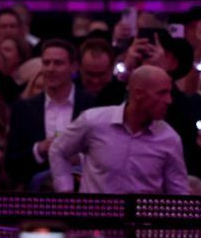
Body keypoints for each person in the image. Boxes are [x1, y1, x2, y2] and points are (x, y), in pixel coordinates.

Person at [50, 66, 189, 194]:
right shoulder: (93, 122)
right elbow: (58, 149)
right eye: (162, 93)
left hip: (142, 219)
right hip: (95, 217)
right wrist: (66, 191)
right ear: (139, 94)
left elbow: (178, 192)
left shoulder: (169, 139)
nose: (169, 100)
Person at [7, 39, 96, 188]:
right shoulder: (23, 109)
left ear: (73, 67)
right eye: (46, 63)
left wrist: (78, 158)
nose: (50, 69)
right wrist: (39, 150)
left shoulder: (92, 105)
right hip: (38, 196)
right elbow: (11, 164)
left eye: (58, 63)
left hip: (84, 192)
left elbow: (106, 156)